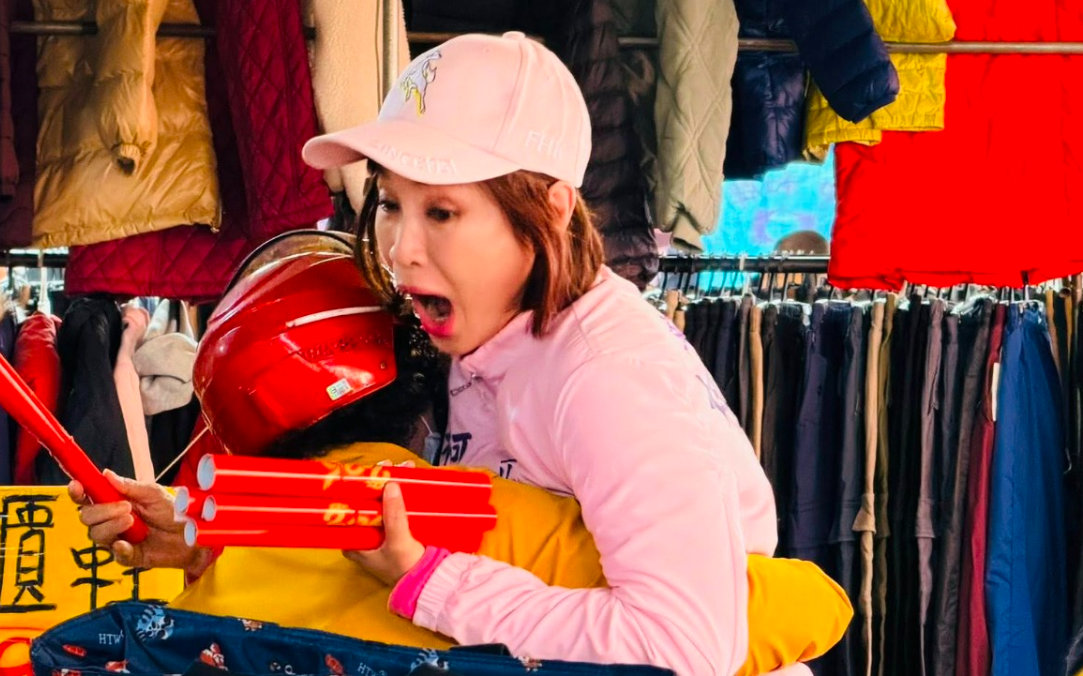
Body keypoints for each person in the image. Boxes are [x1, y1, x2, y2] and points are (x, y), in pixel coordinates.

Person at [72, 236, 850, 675]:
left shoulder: (211, 586)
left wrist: (205, 539)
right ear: (411, 372)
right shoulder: (484, 516)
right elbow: (799, 606)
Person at [298, 32, 792, 676]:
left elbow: (684, 649)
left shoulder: (609, 378)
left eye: (442, 212)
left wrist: (434, 584)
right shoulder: (482, 332)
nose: (400, 250)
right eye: (390, 203)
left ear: (551, 211)